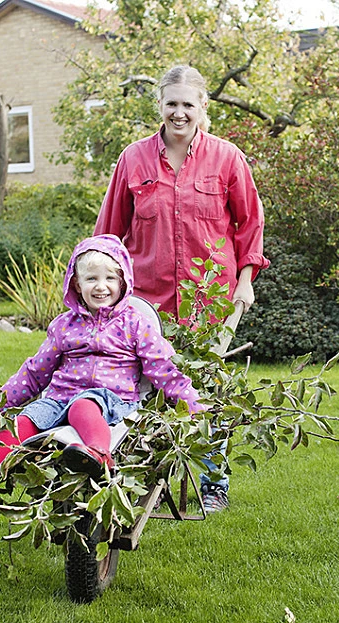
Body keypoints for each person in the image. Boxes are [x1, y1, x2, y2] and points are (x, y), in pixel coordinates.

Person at [94, 64, 269, 513]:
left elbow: (249, 223)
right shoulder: (133, 160)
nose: (179, 113)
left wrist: (245, 281)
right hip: (146, 304)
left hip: (210, 302)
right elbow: (109, 235)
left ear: (202, 108)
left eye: (188, 104)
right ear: (160, 106)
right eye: (171, 103)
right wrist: (101, 292)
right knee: (140, 390)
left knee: (206, 391)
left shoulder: (227, 158)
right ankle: (133, 478)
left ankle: (213, 486)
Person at [0, 235, 203, 507]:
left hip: (110, 400)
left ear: (123, 281)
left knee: (83, 405)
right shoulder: (64, 325)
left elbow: (162, 367)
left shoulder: (135, 324)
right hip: (58, 399)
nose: (101, 287)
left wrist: (191, 403)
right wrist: (0, 402)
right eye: (91, 279)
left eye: (110, 279)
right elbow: (35, 370)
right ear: (76, 283)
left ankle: (99, 455)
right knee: (21, 423)